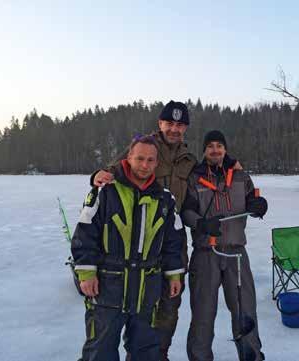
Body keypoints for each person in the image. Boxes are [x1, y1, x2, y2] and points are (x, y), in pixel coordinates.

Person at [91, 100, 196, 361]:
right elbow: (113, 172)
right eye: (169, 123)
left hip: (171, 242)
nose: (174, 129)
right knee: (127, 314)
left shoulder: (189, 160)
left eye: (180, 125)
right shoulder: (145, 148)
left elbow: (206, 181)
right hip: (134, 246)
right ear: (160, 123)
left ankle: (157, 356)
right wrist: (98, 174)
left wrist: (233, 165)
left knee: (168, 308)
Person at [72, 135, 185, 361]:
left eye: (150, 160)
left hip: (147, 289)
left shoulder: (165, 198)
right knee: (100, 351)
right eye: (140, 158)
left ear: (156, 163)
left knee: (146, 351)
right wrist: (86, 272)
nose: (145, 165)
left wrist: (174, 276)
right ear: (129, 157)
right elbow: (85, 233)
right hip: (108, 288)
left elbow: (175, 242)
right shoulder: (105, 191)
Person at [182, 130, 268, 361]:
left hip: (236, 253)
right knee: (202, 315)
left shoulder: (241, 177)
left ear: (225, 149)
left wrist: (260, 205)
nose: (215, 150)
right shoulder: (194, 178)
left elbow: (253, 201)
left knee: (245, 312)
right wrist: (200, 223)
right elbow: (186, 211)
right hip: (205, 254)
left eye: (219, 145)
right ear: (204, 151)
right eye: (210, 146)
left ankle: (251, 356)